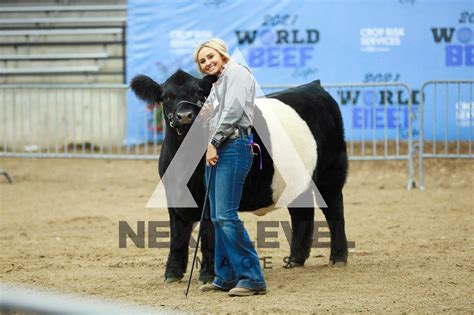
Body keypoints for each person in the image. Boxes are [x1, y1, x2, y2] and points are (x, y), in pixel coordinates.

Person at [193, 38, 267, 297]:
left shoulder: (236, 72)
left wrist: (213, 141)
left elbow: (234, 110)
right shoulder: (218, 84)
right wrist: (207, 115)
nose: (206, 63)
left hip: (233, 147)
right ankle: (225, 276)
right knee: (217, 217)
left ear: (222, 55)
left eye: (210, 56)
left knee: (225, 215)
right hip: (219, 148)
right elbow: (219, 111)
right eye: (202, 61)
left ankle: (252, 277)